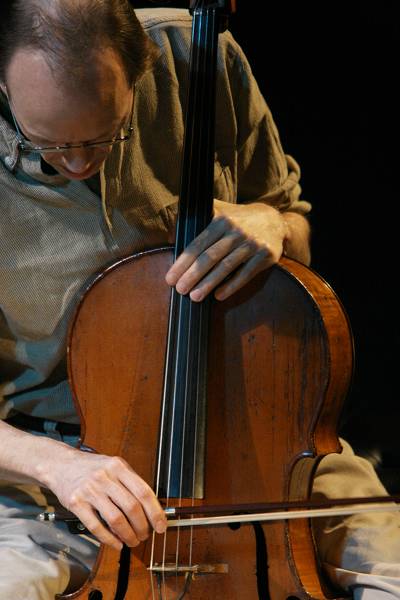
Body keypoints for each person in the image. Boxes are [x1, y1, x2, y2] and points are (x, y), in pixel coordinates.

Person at [0, 1, 398, 599]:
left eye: (108, 133)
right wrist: (58, 466)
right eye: (49, 144)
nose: (79, 164)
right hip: (53, 465)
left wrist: (274, 224)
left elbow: (297, 234)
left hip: (260, 443)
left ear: (140, 73)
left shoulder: (197, 56)